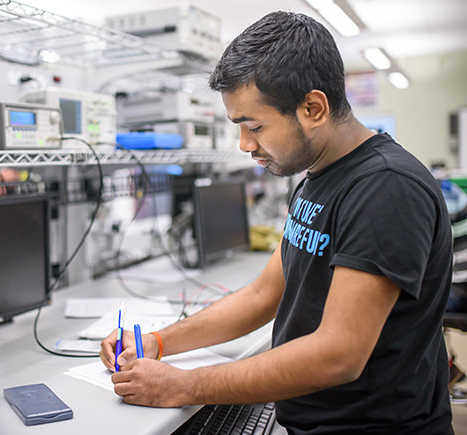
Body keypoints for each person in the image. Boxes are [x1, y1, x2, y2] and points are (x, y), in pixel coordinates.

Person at [100, 11, 453, 434]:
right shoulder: (317, 177)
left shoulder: (385, 188)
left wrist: (185, 385)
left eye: (254, 126)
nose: (245, 145)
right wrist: (160, 342)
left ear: (313, 108)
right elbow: (263, 294)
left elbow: (338, 354)